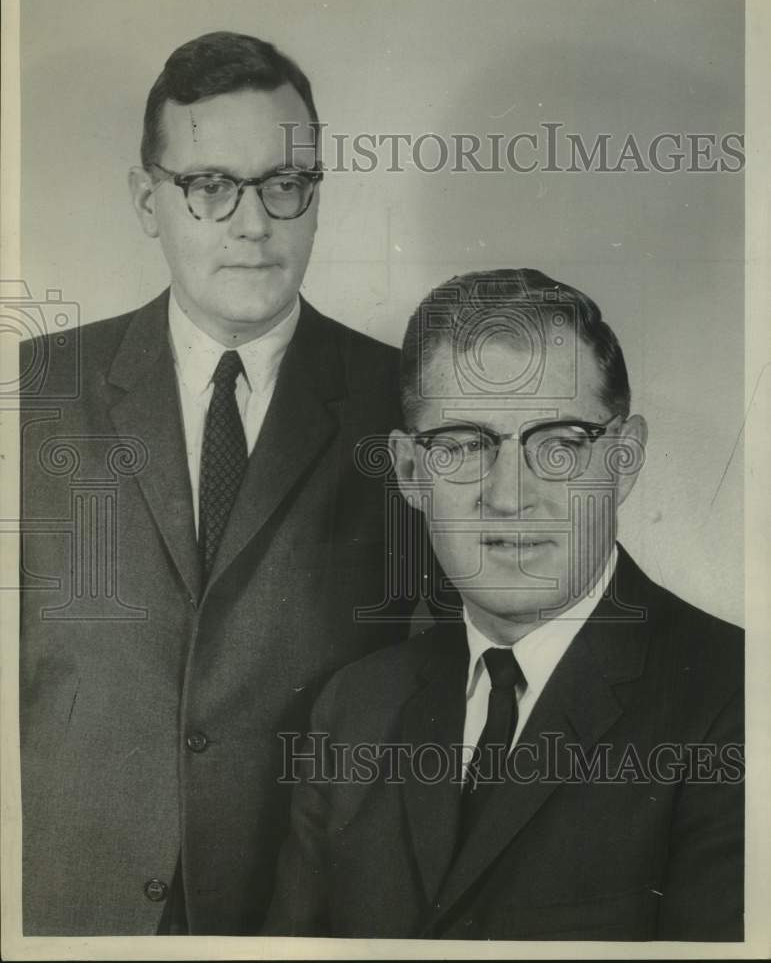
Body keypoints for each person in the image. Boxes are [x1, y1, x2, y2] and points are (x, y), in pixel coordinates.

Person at [19, 31, 439, 935]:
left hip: (305, 918)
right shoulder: (31, 397)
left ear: (316, 194)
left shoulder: (404, 405)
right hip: (66, 918)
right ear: (147, 200)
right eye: (210, 185)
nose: (255, 224)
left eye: (285, 183)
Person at [265, 268, 744, 941]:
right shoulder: (352, 711)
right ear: (409, 472)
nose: (510, 495)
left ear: (625, 458)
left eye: (558, 444)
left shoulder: (739, 699)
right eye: (462, 445)